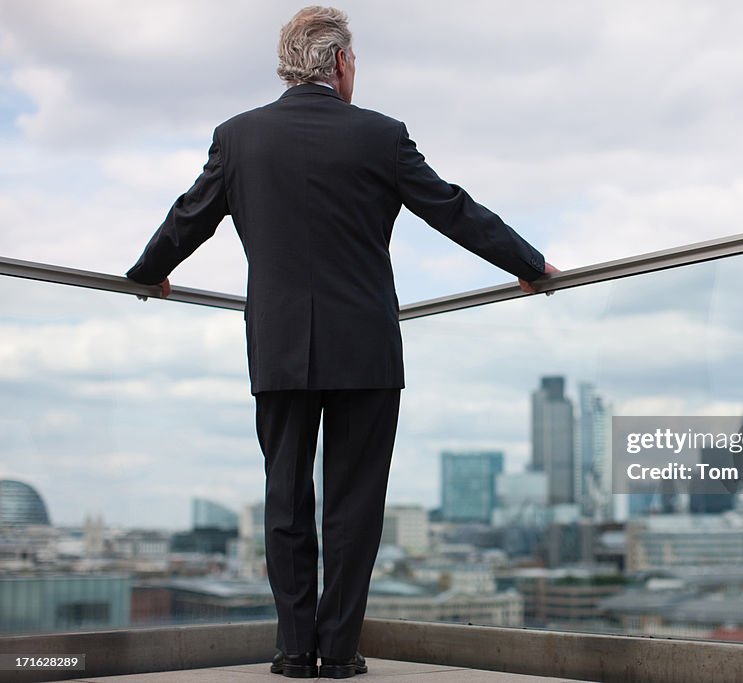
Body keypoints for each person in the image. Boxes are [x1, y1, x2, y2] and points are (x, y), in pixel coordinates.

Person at [126, 6, 555, 679]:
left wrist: (149, 275)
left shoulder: (238, 137)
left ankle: (294, 648)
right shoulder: (381, 136)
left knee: (286, 500)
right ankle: (340, 648)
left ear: (287, 65)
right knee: (354, 505)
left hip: (277, 347)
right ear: (342, 64)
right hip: (365, 348)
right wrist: (529, 264)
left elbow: (189, 217)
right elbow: (452, 208)